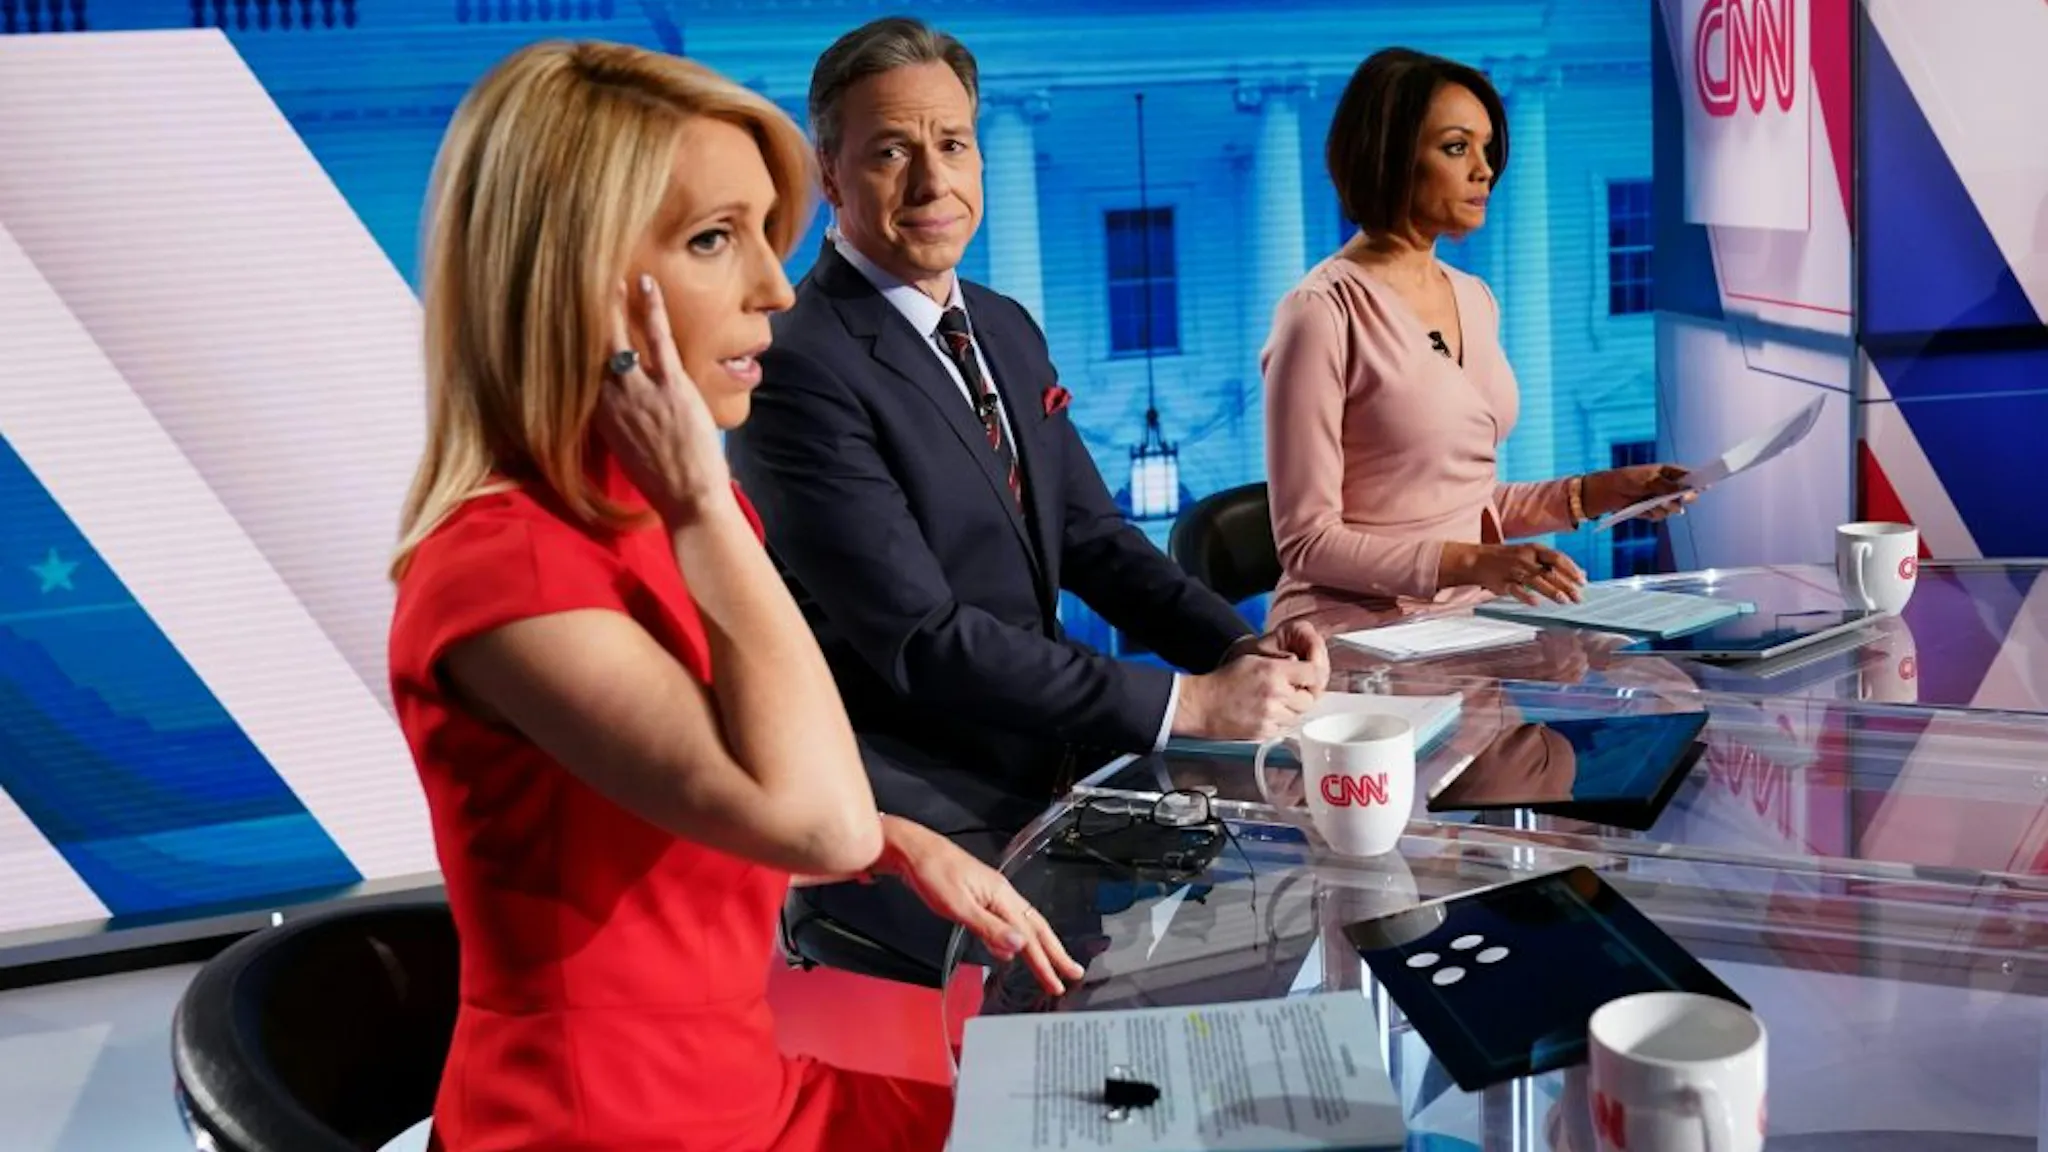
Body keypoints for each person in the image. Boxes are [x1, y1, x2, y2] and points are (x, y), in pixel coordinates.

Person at [385, 41, 1081, 1152]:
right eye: (716, 238)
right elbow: (813, 817)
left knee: (1108, 1117)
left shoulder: (653, 514)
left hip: (741, 1087)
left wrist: (898, 840)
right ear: (573, 276)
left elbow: (708, 780)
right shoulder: (512, 570)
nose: (774, 286)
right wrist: (704, 502)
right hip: (607, 1131)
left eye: (766, 232)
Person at [726, 17, 1327, 967]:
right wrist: (1190, 705)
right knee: (1155, 995)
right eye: (891, 152)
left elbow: (1095, 539)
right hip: (924, 807)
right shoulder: (797, 366)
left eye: (953, 144)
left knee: (1297, 910)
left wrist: (1238, 650)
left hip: (1058, 764)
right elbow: (924, 642)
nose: (933, 182)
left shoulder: (1002, 326)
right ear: (830, 174)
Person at [1262, 48, 1694, 631]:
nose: (1484, 169)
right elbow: (1308, 543)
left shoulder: (1475, 298)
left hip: (1466, 617)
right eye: (1456, 147)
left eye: (1487, 148)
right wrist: (1473, 563)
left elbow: (1467, 504)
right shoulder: (1320, 312)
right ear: (1389, 155)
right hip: (1351, 631)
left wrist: (1595, 492)